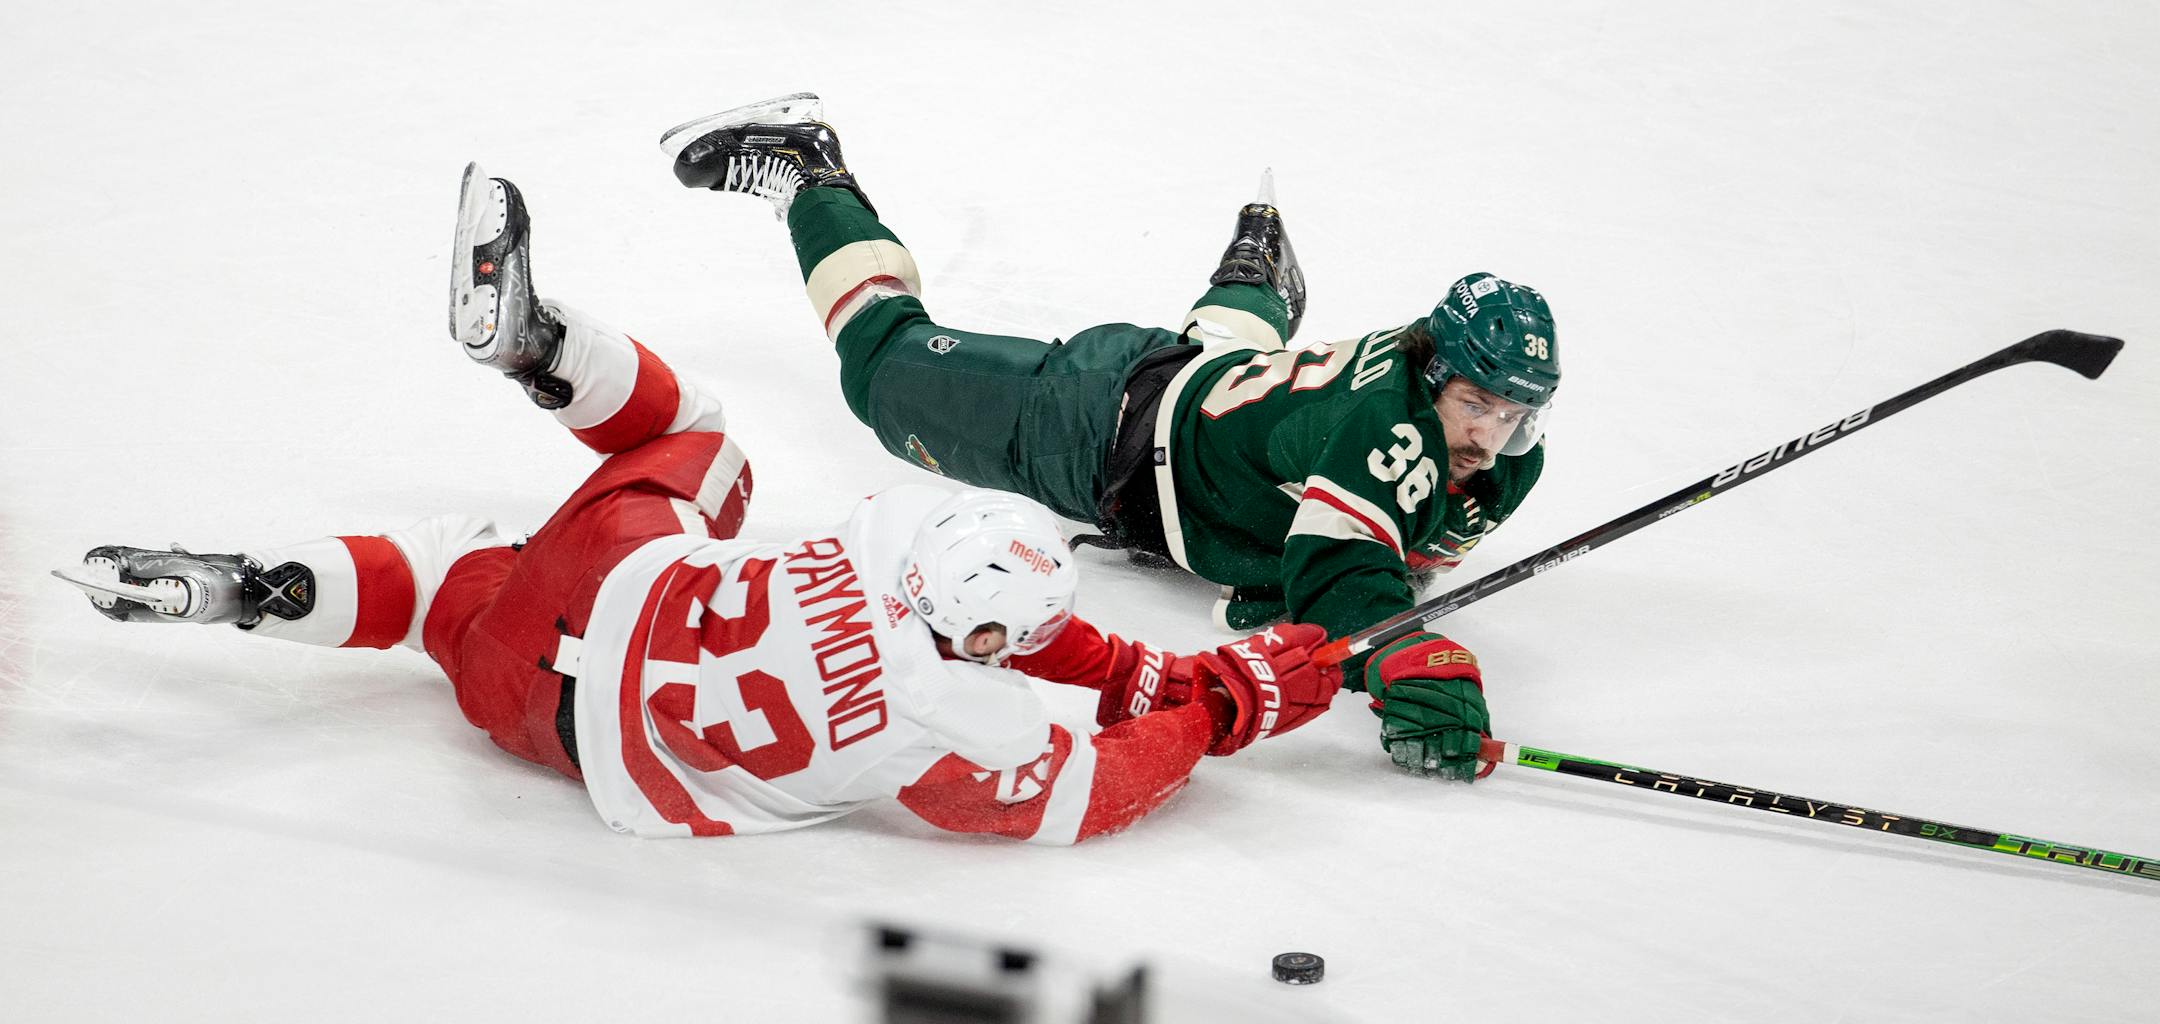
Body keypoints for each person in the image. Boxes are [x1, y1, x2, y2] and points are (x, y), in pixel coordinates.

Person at [51, 165, 1339, 844]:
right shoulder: (943, 713)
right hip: (549, 724)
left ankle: (540, 353)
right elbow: (1083, 790)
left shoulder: (895, 530)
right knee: (446, 595)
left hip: (620, 579)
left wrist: (1156, 677)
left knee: (690, 439)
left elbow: (993, 613)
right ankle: (248, 585)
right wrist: (1212, 704)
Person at [655, 94, 1557, 781]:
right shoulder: (1382, 428)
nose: (1492, 433)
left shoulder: (1472, 428)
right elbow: (1354, 568)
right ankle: (809, 169)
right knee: (882, 371)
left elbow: (1385, 546)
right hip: (1093, 424)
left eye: (1515, 413)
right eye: (1477, 403)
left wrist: (1323, 598)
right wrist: (1405, 651)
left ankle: (1254, 286)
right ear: (1431, 366)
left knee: (1238, 399)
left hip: (1202, 416)